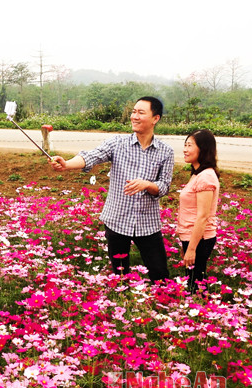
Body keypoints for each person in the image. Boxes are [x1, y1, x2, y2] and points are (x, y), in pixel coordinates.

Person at [50, 96, 174, 281]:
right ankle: (124, 304)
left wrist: (147, 185)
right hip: (117, 220)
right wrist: (67, 164)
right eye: (133, 112)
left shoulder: (165, 151)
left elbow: (164, 186)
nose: (135, 116)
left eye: (141, 113)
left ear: (155, 118)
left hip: (148, 223)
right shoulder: (117, 143)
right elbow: (91, 156)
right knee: (120, 274)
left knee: (160, 273)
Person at [176, 129, 220, 292]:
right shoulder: (197, 173)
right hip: (193, 236)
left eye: (189, 145)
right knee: (193, 280)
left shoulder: (206, 177)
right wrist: (186, 244)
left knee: (196, 284)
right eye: (185, 145)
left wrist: (192, 248)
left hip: (201, 238)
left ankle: (204, 313)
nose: (185, 150)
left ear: (203, 148)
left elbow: (202, 216)